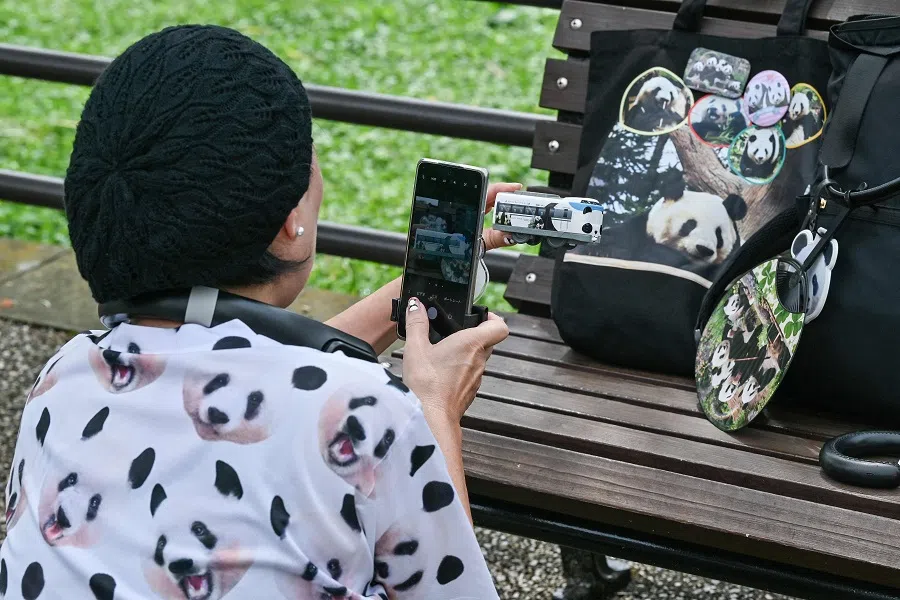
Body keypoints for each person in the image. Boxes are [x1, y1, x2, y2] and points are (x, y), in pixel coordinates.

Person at [0, 24, 522, 599]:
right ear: (289, 221)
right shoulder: (377, 416)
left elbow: (255, 377)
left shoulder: (63, 380)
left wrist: (412, 293)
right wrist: (433, 406)